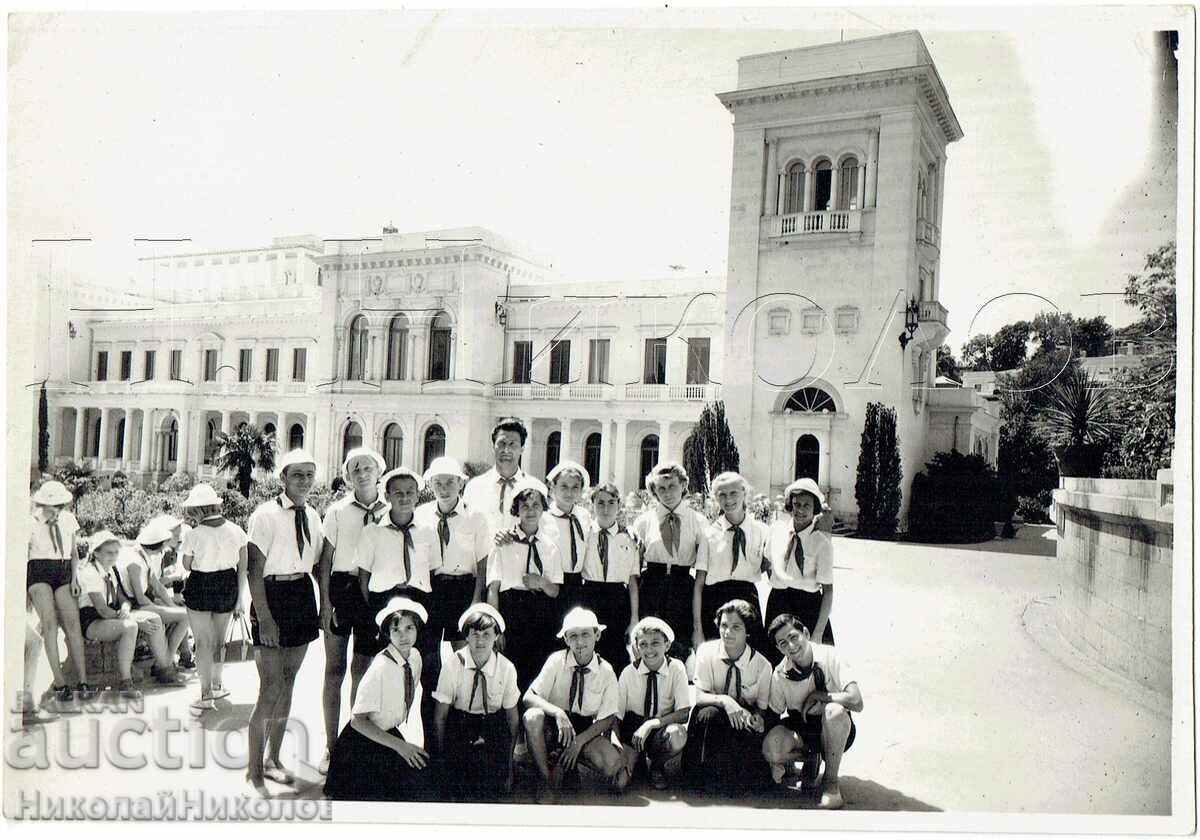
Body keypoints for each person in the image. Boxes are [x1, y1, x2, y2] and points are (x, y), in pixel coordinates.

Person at [245, 450, 324, 796]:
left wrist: (322, 608)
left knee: (289, 684)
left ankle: (272, 759)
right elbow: (253, 569)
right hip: (272, 597)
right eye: (297, 475)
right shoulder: (265, 515)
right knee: (270, 689)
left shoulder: (314, 515)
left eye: (309, 474)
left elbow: (318, 565)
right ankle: (252, 771)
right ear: (283, 478)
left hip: (302, 596)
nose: (304, 481)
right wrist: (264, 618)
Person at [316, 447, 389, 773]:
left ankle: (354, 743)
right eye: (355, 468)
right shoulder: (337, 512)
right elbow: (326, 561)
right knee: (334, 670)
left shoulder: (389, 510)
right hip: (342, 591)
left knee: (364, 672)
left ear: (378, 471)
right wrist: (325, 605)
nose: (362, 473)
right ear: (348, 475)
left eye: (367, 467)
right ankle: (331, 748)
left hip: (373, 594)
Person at [323, 596, 434, 801]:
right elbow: (358, 721)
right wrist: (401, 746)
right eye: (396, 630)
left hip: (387, 735)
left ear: (418, 629)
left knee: (425, 781)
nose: (403, 636)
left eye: (409, 628)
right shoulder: (380, 667)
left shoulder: (415, 658)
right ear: (388, 634)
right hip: (360, 745)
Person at [355, 466, 440, 726]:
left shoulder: (427, 531)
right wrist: (375, 611)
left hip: (419, 603)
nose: (404, 498)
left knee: (430, 675)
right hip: (384, 603)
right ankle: (375, 738)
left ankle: (432, 752)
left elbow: (434, 570)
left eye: (410, 492)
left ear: (418, 496)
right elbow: (363, 577)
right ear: (387, 496)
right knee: (382, 673)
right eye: (398, 493)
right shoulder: (373, 532)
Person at [415, 456, 491, 724]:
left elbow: (482, 562)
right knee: (430, 669)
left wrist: (476, 601)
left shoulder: (476, 516)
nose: (444, 488)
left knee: (467, 664)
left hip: (464, 591)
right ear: (430, 484)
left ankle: (464, 737)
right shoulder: (421, 515)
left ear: (461, 483)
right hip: (432, 592)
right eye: (438, 482)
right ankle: (431, 745)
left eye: (450, 482)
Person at [523, 607, 625, 803]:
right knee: (532, 717)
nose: (579, 642)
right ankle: (545, 780)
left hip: (584, 729)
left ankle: (564, 762)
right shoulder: (555, 661)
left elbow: (608, 718)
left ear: (597, 635)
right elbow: (528, 697)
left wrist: (578, 743)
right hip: (554, 725)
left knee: (612, 763)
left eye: (585, 634)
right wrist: (558, 713)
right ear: (566, 640)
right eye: (573, 636)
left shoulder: (606, 670)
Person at [763, 614, 862, 810]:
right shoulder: (780, 673)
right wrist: (775, 760)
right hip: (803, 729)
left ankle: (831, 783)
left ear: (806, 633)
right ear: (778, 648)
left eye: (793, 637)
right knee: (770, 747)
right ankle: (810, 759)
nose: (791, 646)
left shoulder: (831, 656)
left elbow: (856, 701)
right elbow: (773, 716)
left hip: (836, 727)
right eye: (783, 643)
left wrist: (821, 696)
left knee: (834, 711)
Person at [76, 531, 187, 701]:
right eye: (108, 553)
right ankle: (125, 683)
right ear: (96, 553)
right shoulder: (90, 572)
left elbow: (122, 598)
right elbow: (102, 610)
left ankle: (164, 669)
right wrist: (130, 618)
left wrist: (126, 608)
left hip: (112, 615)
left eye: (115, 552)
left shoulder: (110, 570)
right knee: (131, 626)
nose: (113, 556)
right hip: (93, 620)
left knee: (153, 618)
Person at [432, 603, 521, 802]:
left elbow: (512, 720)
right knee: (457, 786)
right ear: (466, 636)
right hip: (461, 724)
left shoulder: (506, 668)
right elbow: (440, 717)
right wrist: (440, 760)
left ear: (497, 636)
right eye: (474, 634)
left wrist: (508, 764)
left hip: (492, 725)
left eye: (487, 634)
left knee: (490, 787)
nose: (480, 641)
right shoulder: (453, 664)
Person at [685, 599, 773, 796]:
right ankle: (702, 773)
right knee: (709, 713)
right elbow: (699, 695)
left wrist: (758, 718)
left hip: (741, 720)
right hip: (713, 713)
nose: (728, 632)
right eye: (724, 625)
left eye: (736, 627)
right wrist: (726, 701)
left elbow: (762, 707)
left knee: (747, 782)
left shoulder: (762, 665)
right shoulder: (706, 652)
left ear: (747, 631)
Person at [178, 483, 249, 714]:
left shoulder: (193, 534)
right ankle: (218, 685)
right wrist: (240, 599)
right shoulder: (237, 530)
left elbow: (187, 565)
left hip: (200, 585)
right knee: (219, 641)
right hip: (227, 585)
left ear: (199, 510)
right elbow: (242, 568)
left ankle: (205, 692)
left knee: (202, 642)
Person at [631, 462, 708, 663]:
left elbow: (702, 570)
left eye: (672, 486)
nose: (667, 493)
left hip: (682, 588)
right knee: (650, 645)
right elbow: (634, 569)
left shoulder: (698, 521)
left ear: (683, 485)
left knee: (678, 648)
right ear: (654, 491)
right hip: (651, 588)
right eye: (661, 488)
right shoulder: (643, 522)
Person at [486, 485, 562, 690]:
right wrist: (496, 628)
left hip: (540, 615)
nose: (530, 510)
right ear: (516, 510)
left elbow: (555, 591)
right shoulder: (503, 543)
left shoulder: (550, 546)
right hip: (511, 613)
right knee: (509, 674)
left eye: (536, 505)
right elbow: (493, 589)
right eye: (524, 506)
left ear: (543, 509)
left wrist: (541, 582)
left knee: (537, 672)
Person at [27, 480, 92, 708]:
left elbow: (74, 552)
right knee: (50, 625)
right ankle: (60, 682)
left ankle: (83, 681)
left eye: (60, 504)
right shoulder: (31, 521)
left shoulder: (68, 519)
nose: (56, 508)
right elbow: (25, 554)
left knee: (73, 624)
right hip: (39, 571)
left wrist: (75, 578)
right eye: (51, 504)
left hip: (63, 570)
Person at [693, 472, 770, 655]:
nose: (728, 500)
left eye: (733, 493)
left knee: (751, 657)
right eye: (722, 494)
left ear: (745, 493)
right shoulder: (708, 534)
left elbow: (773, 574)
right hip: (714, 602)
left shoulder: (761, 532)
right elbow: (699, 584)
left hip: (747, 600)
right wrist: (698, 630)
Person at [614, 616, 691, 790]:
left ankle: (657, 765)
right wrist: (618, 747)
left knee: (677, 735)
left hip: (660, 727)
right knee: (620, 784)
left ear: (667, 645)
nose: (649, 650)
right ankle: (637, 761)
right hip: (633, 731)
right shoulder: (628, 672)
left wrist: (651, 724)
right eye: (643, 644)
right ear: (636, 647)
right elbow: (616, 716)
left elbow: (684, 712)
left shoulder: (676, 668)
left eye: (655, 643)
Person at [765, 478, 835, 665]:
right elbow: (766, 561)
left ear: (815, 509)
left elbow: (828, 591)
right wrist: (776, 579)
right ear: (790, 505)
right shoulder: (777, 530)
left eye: (806, 505)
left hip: (808, 606)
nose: (801, 510)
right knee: (776, 662)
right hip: (778, 603)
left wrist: (818, 631)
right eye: (796, 504)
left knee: (813, 664)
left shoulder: (821, 543)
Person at [579, 482, 639, 671]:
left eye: (611, 503)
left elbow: (632, 581)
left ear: (619, 505)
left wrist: (634, 618)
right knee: (590, 651)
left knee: (616, 653)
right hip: (590, 594)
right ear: (592, 505)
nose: (606, 508)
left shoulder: (629, 537)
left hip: (617, 599)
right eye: (600, 503)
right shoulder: (584, 533)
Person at [462, 417, 547, 541]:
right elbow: (466, 530)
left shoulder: (536, 487)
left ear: (522, 449)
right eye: (501, 444)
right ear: (493, 447)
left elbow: (543, 532)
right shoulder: (474, 487)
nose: (506, 450)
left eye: (513, 444)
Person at [123, 520, 191, 673]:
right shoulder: (135, 562)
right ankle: (166, 662)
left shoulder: (144, 556)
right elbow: (140, 598)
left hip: (144, 602)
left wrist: (171, 607)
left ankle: (167, 659)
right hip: (136, 605)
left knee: (183, 613)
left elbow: (157, 586)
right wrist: (164, 608)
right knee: (185, 616)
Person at [543, 460, 593, 625]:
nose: (569, 492)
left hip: (577, 584)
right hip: (551, 584)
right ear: (553, 488)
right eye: (564, 486)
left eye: (575, 487)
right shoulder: (543, 518)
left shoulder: (584, 516)